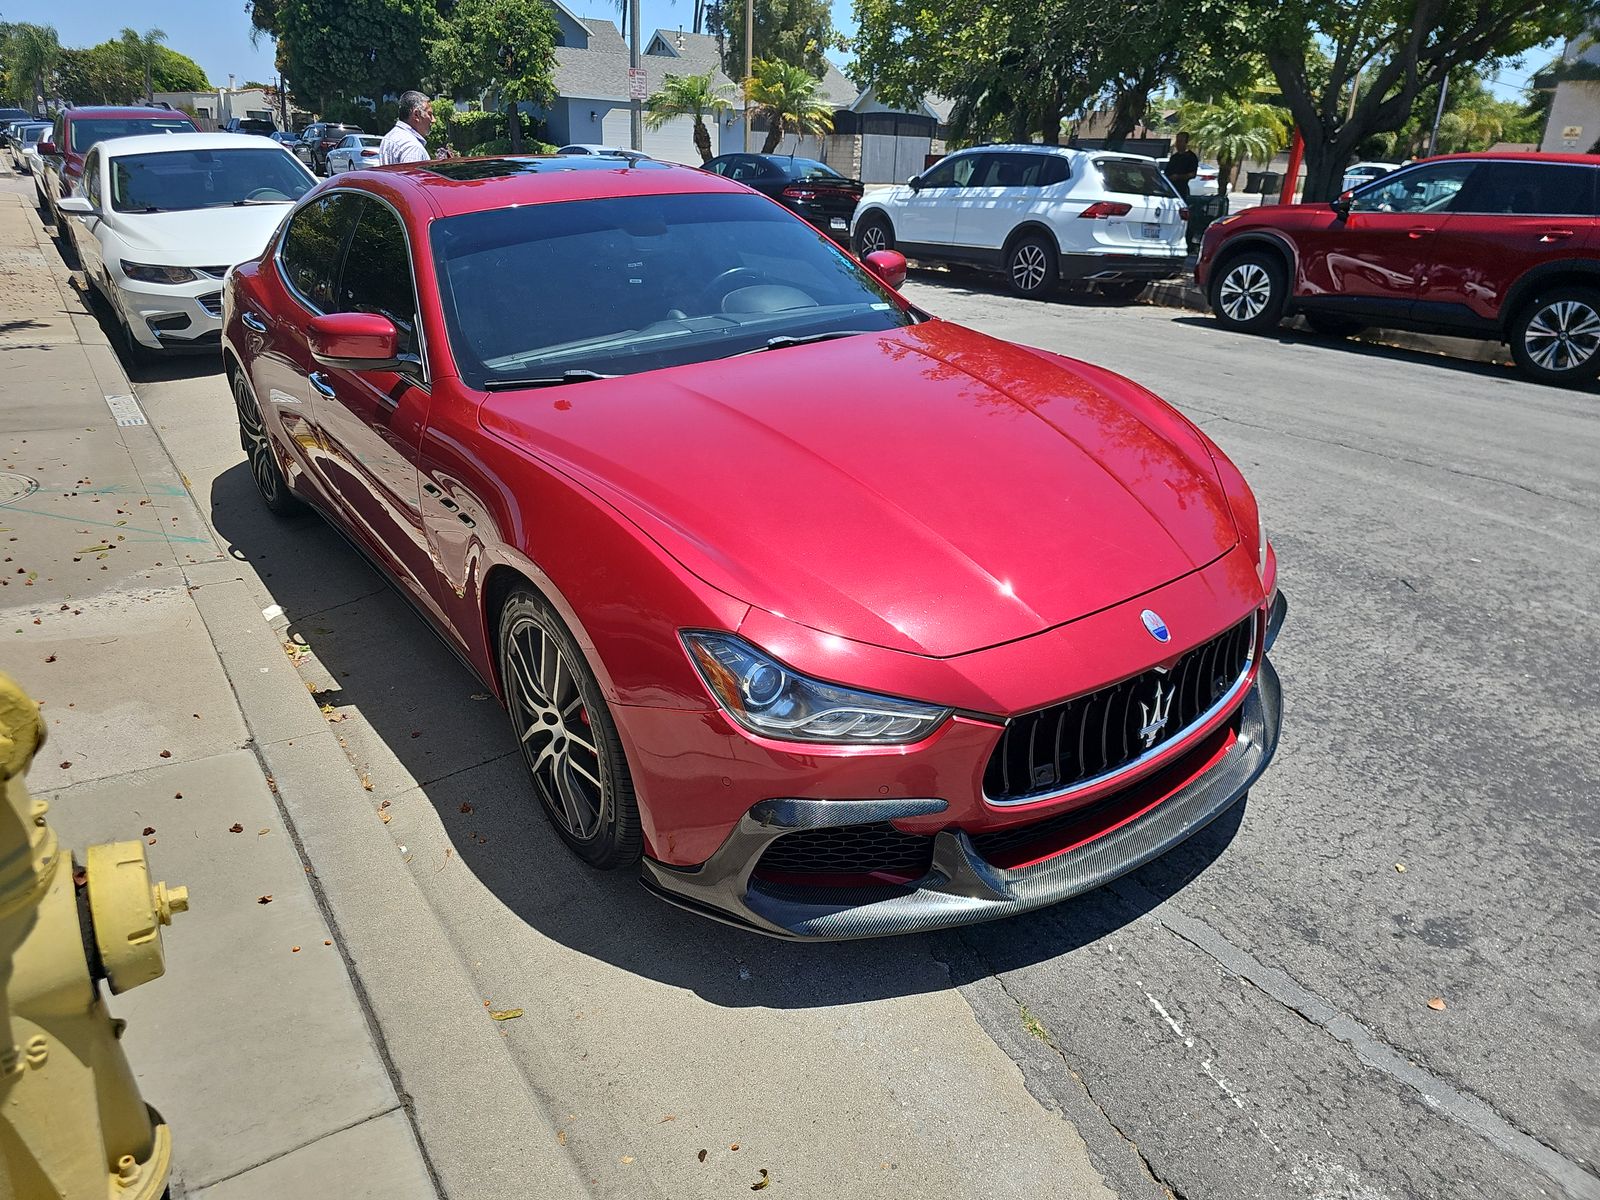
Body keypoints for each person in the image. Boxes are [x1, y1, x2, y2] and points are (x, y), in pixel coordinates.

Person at [378, 91, 451, 166]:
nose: (433, 120)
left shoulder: (389, 137)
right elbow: (412, 177)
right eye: (429, 114)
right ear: (416, 115)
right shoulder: (413, 147)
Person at [1164, 131, 1199, 200]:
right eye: (1177, 141)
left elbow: (1192, 174)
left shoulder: (1191, 157)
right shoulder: (1174, 157)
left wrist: (1178, 177)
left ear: (1186, 142)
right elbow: (1167, 171)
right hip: (1170, 189)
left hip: (1181, 190)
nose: (1178, 144)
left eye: (1180, 141)